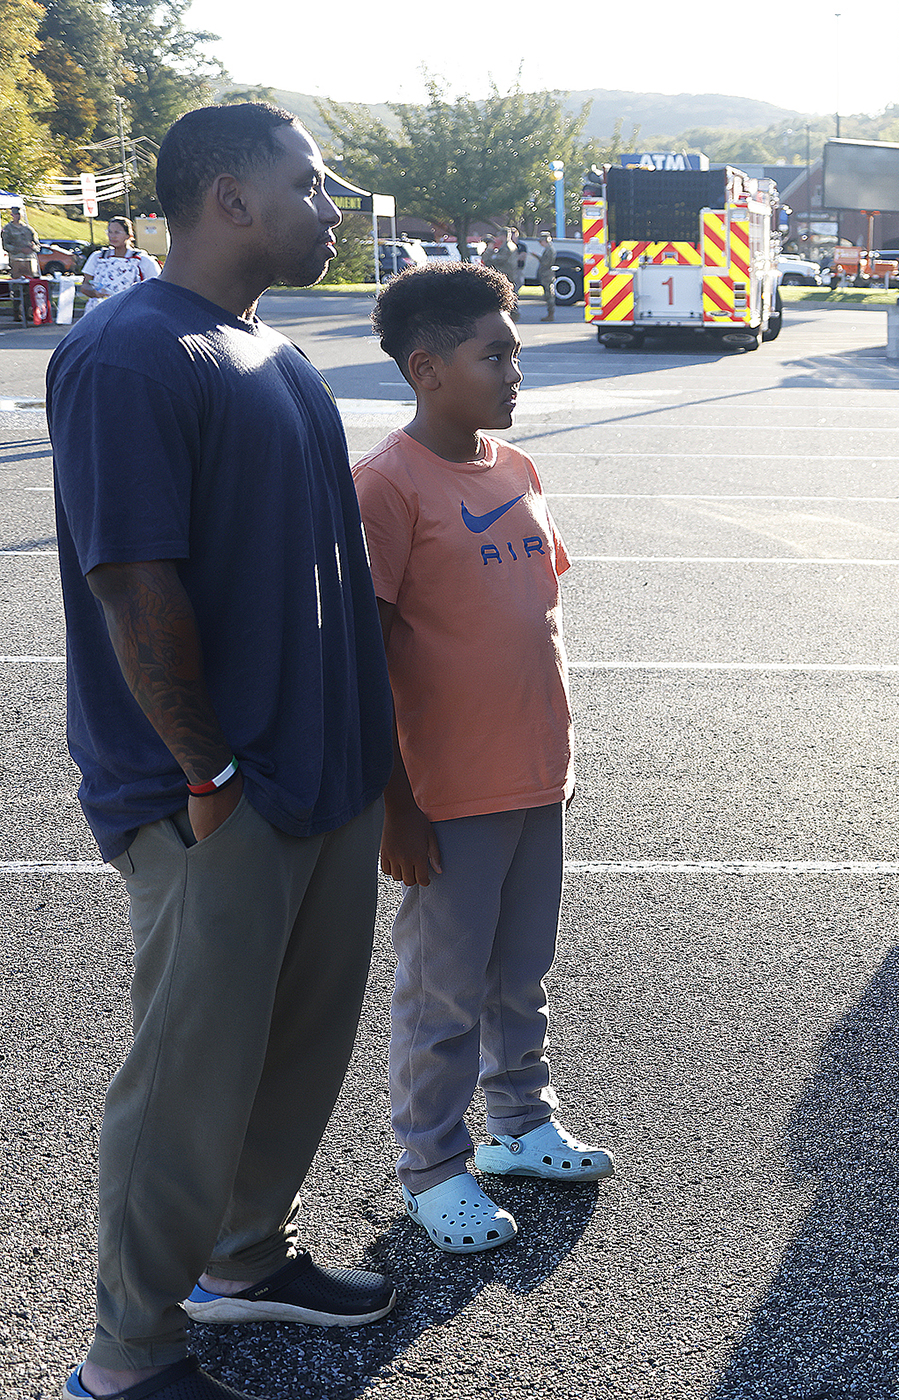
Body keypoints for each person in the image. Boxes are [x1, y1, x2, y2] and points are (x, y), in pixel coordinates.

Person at [48, 102, 396, 1400]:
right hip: (214, 793)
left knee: (296, 1051)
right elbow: (134, 585)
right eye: (311, 183)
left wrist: (373, 763)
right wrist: (204, 773)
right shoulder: (129, 356)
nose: (333, 201)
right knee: (188, 1081)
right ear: (230, 201)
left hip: (322, 775)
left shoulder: (274, 356)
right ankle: (127, 1357)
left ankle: (244, 1260)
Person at [355, 261, 614, 1257]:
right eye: (493, 352)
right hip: (445, 792)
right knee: (443, 984)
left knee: (521, 970)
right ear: (427, 367)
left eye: (514, 349)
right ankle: (430, 1163)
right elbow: (366, 660)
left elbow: (530, 615)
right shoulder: (386, 485)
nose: (517, 367)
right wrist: (396, 806)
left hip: (534, 772)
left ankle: (519, 1123)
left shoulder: (515, 468)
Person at [76, 217, 161, 312]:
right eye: (110, 232)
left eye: (117, 232)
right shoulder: (98, 257)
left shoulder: (142, 260)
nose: (113, 236)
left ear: (128, 235)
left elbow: (156, 289)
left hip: (128, 311)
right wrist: (96, 293)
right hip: (99, 310)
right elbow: (85, 286)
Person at [482, 227, 521, 292]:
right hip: (510, 273)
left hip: (505, 272)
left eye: (499, 235)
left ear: (503, 236)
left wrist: (489, 255)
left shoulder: (506, 247)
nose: (498, 237)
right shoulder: (512, 245)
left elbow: (500, 260)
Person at [4, 205, 38, 276]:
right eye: (15, 214)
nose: (17, 216)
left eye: (19, 214)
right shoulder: (8, 229)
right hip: (16, 259)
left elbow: (37, 244)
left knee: (31, 281)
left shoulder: (28, 229)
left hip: (29, 259)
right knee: (17, 281)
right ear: (12, 215)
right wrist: (21, 249)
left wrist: (33, 248)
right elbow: (6, 245)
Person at [534, 228, 559, 320]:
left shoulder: (549, 250)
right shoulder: (548, 249)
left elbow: (546, 263)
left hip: (547, 274)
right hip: (546, 274)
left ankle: (551, 314)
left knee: (549, 295)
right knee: (547, 294)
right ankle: (550, 314)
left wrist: (537, 257)